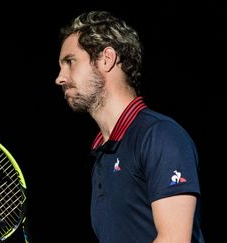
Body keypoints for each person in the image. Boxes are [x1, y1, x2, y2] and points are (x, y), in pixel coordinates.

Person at [55, 10, 205, 243]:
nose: (60, 78)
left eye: (70, 62)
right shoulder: (101, 155)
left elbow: (175, 239)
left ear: (106, 58)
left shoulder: (159, 135)